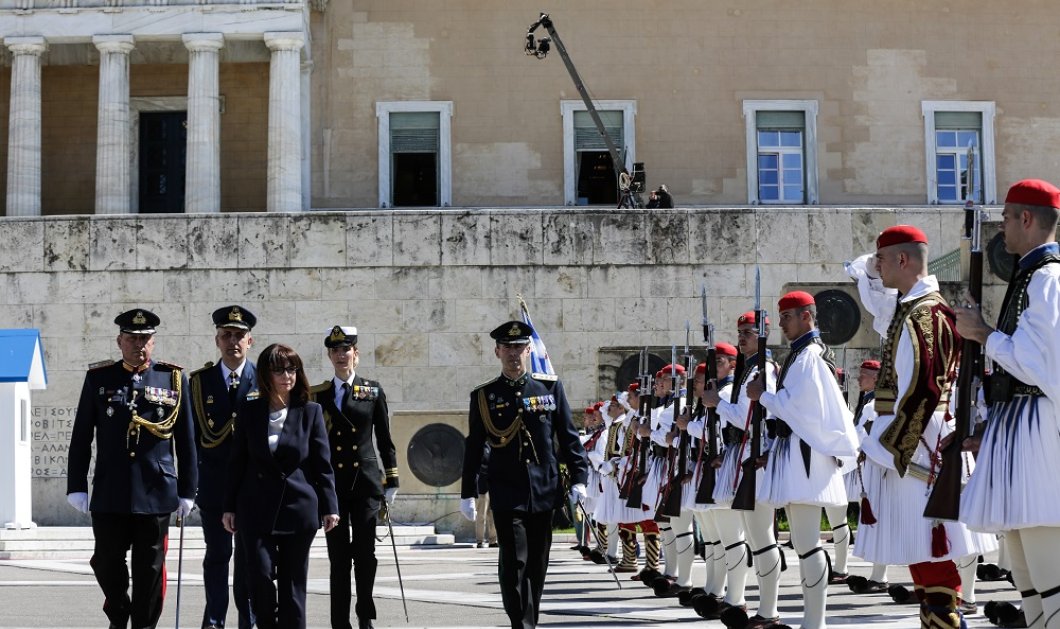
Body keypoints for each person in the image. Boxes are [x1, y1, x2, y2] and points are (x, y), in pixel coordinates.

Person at [851, 225, 995, 628]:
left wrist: (885, 445)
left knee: (933, 564)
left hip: (916, 447)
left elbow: (923, 390)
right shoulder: (912, 309)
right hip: (913, 442)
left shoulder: (924, 315)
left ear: (902, 260)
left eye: (881, 260)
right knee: (925, 561)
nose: (876, 268)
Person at [956, 179, 1060, 628]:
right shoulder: (1031, 278)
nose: (1001, 228)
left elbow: (1045, 365)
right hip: (1017, 429)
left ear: (1026, 218)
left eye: (1005, 217)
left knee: (1048, 571)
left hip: (1038, 435)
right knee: (1025, 574)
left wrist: (984, 335)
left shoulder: (1049, 279)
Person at [67, 308, 198, 629]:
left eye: (145, 339)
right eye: (132, 339)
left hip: (156, 492)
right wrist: (77, 485)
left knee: (150, 569)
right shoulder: (99, 378)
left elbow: (187, 440)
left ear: (153, 342)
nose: (138, 345)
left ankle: (143, 625)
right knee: (105, 561)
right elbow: (82, 434)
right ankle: (119, 612)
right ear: (119, 341)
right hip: (111, 491)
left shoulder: (173, 379)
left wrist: (187, 491)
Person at [459, 320, 589, 629]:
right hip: (506, 489)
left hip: (543, 489)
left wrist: (580, 477)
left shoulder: (548, 387)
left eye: (519, 348)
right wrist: (467, 491)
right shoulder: (484, 396)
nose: (513, 354)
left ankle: (528, 619)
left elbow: (568, 436)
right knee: (513, 562)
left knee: (537, 565)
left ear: (529, 350)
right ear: (497, 352)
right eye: (507, 348)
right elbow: (474, 447)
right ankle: (522, 624)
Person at [746, 291, 859, 629]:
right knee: (803, 542)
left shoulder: (810, 356)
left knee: (808, 545)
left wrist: (762, 396)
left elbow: (802, 409)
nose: (781, 323)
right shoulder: (802, 355)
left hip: (806, 455)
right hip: (795, 453)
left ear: (807, 317)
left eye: (787, 316)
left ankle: (815, 622)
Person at [223, 344, 339, 629]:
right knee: (259, 579)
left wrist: (330, 507)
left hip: (297, 509)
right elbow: (237, 462)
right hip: (255, 508)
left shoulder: (310, 411)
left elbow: (322, 464)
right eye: (279, 370)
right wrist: (229, 507)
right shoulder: (249, 410)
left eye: (292, 369)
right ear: (266, 374)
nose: (287, 376)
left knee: (293, 586)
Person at [311, 325, 400, 629]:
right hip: (333, 486)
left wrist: (392, 481)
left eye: (345, 350)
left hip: (365, 484)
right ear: (329, 355)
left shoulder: (372, 391)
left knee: (365, 555)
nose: (341, 355)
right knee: (338, 559)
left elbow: (385, 440)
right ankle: (340, 622)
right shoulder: (318, 395)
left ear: (356, 354)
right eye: (335, 351)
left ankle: (365, 615)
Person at [189, 305, 258, 629]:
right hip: (215, 488)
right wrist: (186, 487)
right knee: (217, 557)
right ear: (217, 340)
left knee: (249, 561)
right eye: (226, 335)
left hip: (252, 489)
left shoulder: (265, 380)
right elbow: (189, 440)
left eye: (239, 336)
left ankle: (249, 620)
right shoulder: (199, 383)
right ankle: (214, 621)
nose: (233, 341)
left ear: (250, 341)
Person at [841, 359, 892, 596]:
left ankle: (880, 577)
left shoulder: (874, 405)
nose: (859, 379)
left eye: (864, 375)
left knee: (878, 521)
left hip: (875, 468)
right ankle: (878, 575)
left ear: (876, 378)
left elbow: (863, 438)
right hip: (869, 467)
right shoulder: (868, 402)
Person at [475, 446, 497, 548]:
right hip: (483, 485)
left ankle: (493, 540)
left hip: (493, 485)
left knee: (493, 515)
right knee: (481, 515)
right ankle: (480, 540)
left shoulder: (493, 446)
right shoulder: (480, 446)